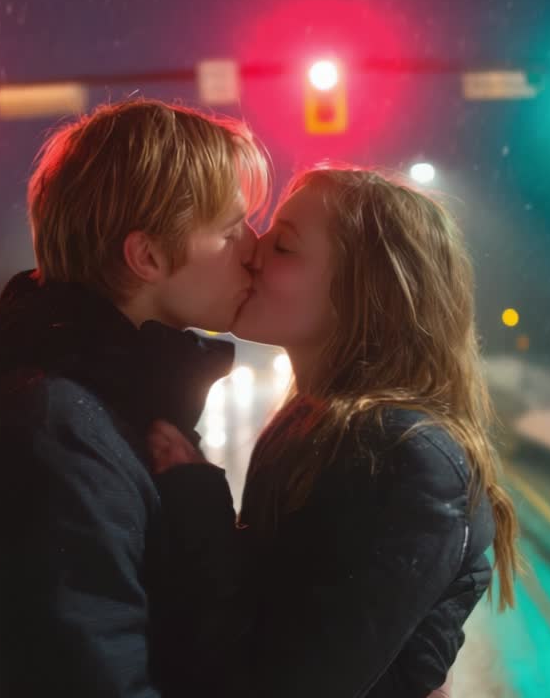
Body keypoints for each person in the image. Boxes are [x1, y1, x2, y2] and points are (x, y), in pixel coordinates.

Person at [0, 98, 270, 697]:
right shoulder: (47, 432)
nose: (254, 248)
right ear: (148, 256)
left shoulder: (118, 406)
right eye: (232, 230)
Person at [149, 166, 522, 697]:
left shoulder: (400, 456)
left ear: (362, 293)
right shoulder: (319, 424)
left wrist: (197, 506)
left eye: (284, 247)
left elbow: (288, 682)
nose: (253, 250)